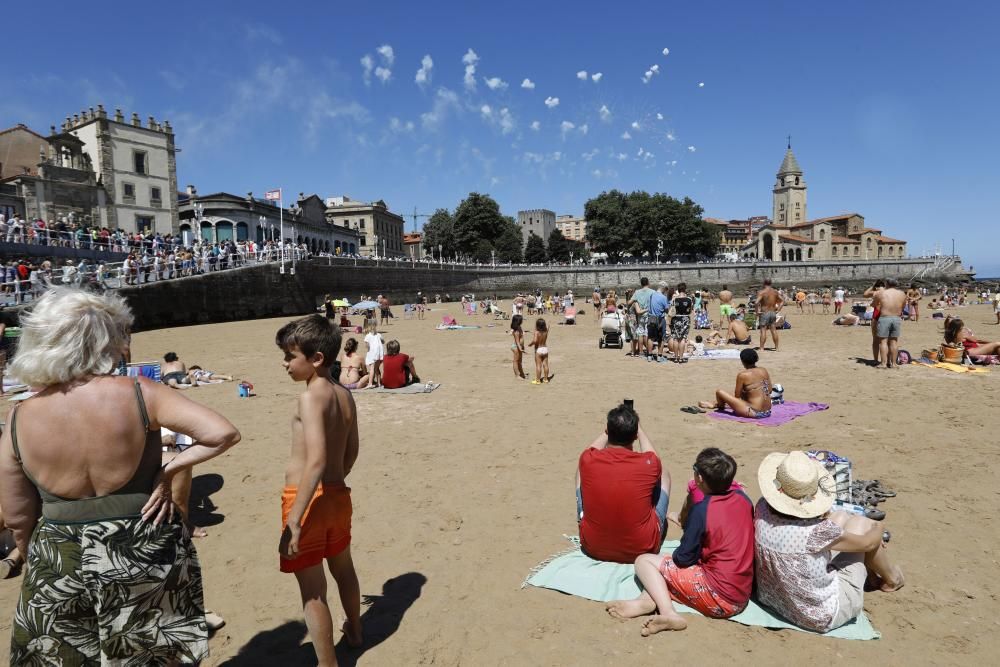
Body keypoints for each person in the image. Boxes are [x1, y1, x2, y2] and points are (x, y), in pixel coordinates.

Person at [0, 287, 241, 664]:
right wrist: (168, 469)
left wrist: (35, 551)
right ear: (105, 339)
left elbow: (16, 512)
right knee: (149, 652)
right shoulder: (140, 392)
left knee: (63, 655)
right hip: (140, 539)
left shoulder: (19, 416)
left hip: (59, 550)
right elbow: (222, 433)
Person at [275, 314, 362, 664]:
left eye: (289, 357)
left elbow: (315, 459)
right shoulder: (344, 394)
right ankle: (355, 630)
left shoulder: (311, 397)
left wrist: (295, 519)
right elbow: (351, 450)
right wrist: (337, 479)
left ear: (316, 359)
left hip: (306, 500)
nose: (285, 365)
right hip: (338, 495)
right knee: (344, 568)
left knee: (313, 592)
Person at [607, 448, 754, 634]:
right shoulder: (744, 499)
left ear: (699, 478)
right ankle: (646, 601)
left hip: (719, 598)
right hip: (741, 593)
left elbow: (683, 559)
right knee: (661, 575)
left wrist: (673, 557)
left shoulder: (702, 510)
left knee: (644, 561)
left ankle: (669, 613)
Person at [754, 451, 904, 633]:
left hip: (774, 599)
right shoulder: (815, 532)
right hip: (820, 616)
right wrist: (878, 529)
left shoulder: (762, 508)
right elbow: (867, 544)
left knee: (840, 516)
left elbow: (820, 529)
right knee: (862, 523)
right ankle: (892, 580)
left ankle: (872, 575)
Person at [576, 404, 670, 563]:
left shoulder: (587, 459)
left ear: (607, 431)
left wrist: (609, 429)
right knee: (664, 475)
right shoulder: (649, 463)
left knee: (580, 472)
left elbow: (592, 448)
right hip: (642, 548)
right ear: (635, 436)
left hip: (593, 546)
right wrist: (638, 429)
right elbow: (652, 455)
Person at [699, 348, 773, 418]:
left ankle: (718, 405)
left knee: (719, 392)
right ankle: (715, 403)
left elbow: (737, 396)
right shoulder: (764, 370)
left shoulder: (743, 375)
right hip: (768, 411)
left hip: (754, 412)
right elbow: (769, 390)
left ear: (742, 361)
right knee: (743, 394)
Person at [872, 278, 907, 369]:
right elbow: (903, 305)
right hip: (896, 318)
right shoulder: (902, 294)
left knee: (883, 342)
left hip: (885, 318)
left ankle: (883, 363)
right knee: (894, 342)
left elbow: (875, 304)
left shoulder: (881, 293)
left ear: (887, 284)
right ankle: (894, 363)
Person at [627, 277, 655, 359]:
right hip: (649, 314)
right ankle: (647, 351)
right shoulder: (652, 292)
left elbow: (629, 303)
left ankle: (640, 352)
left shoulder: (637, 292)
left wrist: (628, 296)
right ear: (648, 283)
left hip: (640, 315)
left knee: (640, 332)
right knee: (646, 333)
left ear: (641, 284)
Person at [756, 279, 784, 352]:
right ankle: (777, 347)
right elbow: (782, 301)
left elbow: (756, 302)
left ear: (764, 283)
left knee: (763, 330)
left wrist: (757, 311)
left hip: (764, 312)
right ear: (771, 283)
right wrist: (778, 310)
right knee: (773, 330)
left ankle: (762, 348)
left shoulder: (761, 292)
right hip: (772, 312)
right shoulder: (775, 292)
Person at [667, 283, 694, 362]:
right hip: (685, 319)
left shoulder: (675, 299)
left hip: (676, 319)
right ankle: (681, 358)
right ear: (685, 289)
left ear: (678, 290)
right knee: (683, 339)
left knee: (675, 339)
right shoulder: (689, 299)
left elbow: (670, 310)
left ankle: (675, 357)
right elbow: (691, 310)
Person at [864, 280, 885, 365]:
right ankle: (886, 360)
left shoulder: (876, 292)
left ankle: (876, 360)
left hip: (877, 315)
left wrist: (872, 286)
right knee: (887, 340)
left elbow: (865, 294)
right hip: (887, 315)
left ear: (876, 287)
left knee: (876, 340)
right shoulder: (889, 292)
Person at [648, 282, 670, 362]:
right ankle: (659, 356)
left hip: (651, 318)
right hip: (660, 319)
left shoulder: (651, 295)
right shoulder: (663, 297)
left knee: (650, 338)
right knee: (661, 338)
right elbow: (667, 310)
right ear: (664, 288)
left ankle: (649, 356)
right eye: (666, 289)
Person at [363, 319, 384, 388]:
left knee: (371, 369)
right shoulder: (379, 335)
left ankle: (370, 383)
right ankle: (379, 383)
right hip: (379, 353)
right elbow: (383, 341)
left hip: (372, 353)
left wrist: (368, 348)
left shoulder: (367, 336)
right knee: (377, 368)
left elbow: (367, 346)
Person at [530, 317, 550, 385]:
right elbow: (548, 326)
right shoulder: (546, 331)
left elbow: (535, 340)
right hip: (545, 348)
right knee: (546, 365)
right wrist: (547, 322)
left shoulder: (537, 332)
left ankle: (538, 380)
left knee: (538, 365)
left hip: (538, 349)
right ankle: (546, 379)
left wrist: (530, 344)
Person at [510, 314, 527, 379]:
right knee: (516, 361)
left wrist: (523, 346)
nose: (522, 321)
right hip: (516, 347)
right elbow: (517, 341)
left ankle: (522, 374)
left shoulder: (519, 327)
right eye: (521, 320)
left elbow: (521, 338)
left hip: (520, 347)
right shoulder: (516, 331)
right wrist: (520, 348)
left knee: (520, 361)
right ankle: (517, 375)